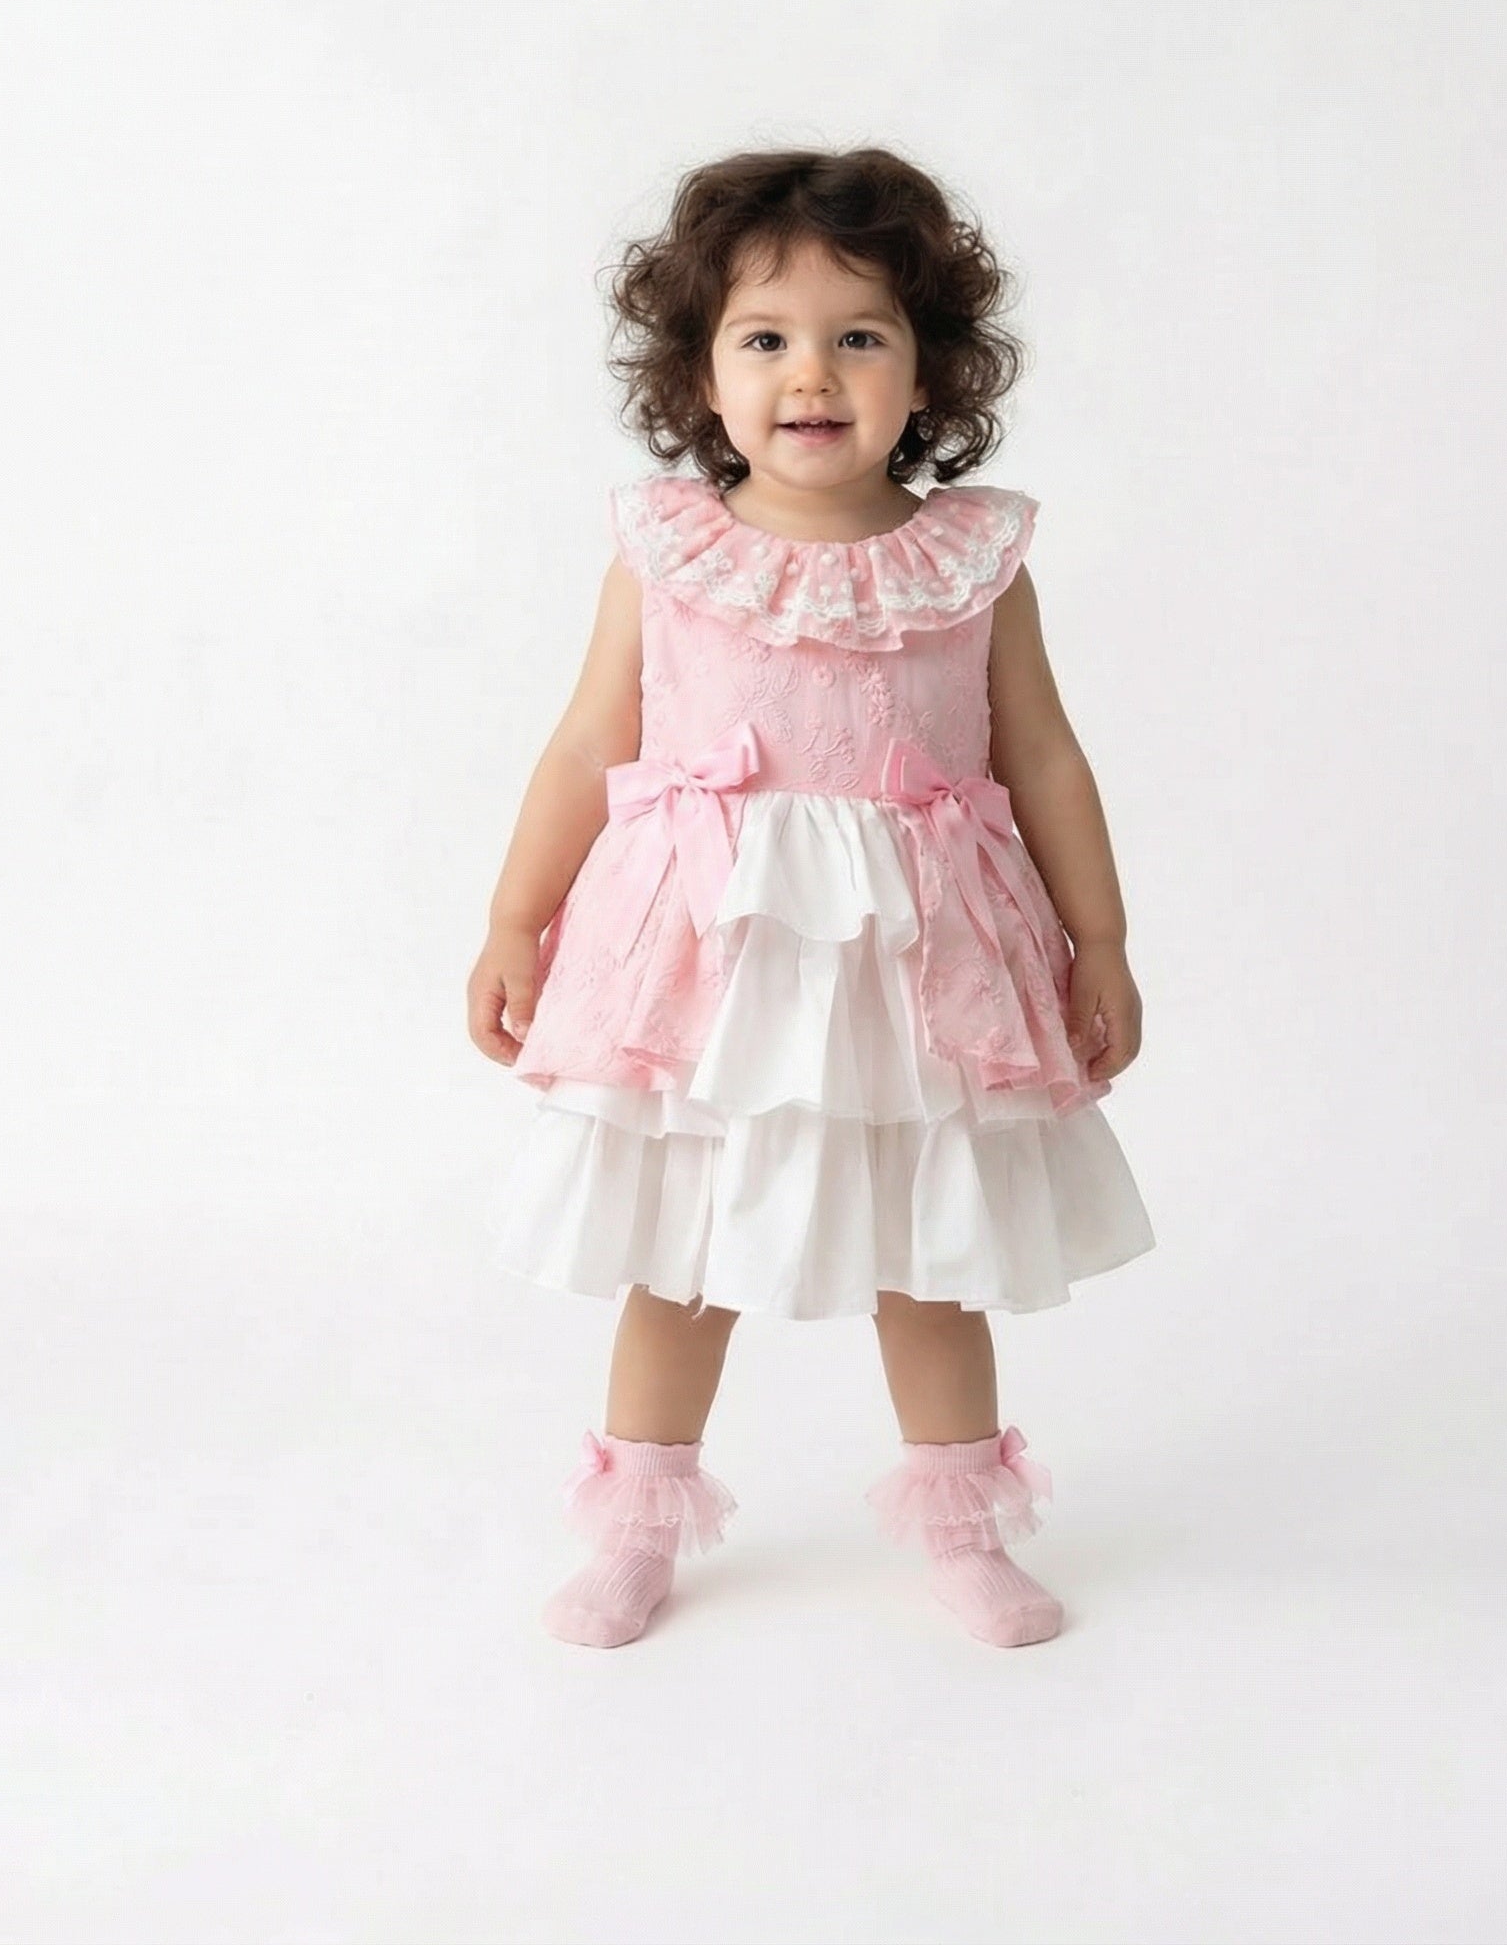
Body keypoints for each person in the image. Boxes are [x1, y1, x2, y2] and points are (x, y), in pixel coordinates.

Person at [467, 146, 1156, 1650]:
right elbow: (592, 741)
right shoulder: (666, 555)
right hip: (710, 968)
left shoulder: (973, 565)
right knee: (681, 1253)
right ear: (701, 375)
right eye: (765, 338)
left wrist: (1098, 940)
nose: (812, 372)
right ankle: (640, 1529)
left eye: (861, 335)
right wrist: (517, 916)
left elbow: (1040, 754)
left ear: (930, 371)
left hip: (916, 968)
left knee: (930, 1256)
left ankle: (964, 1527)